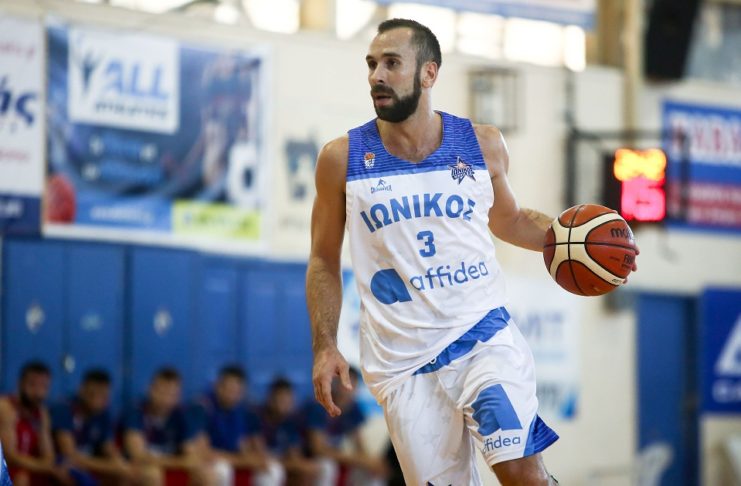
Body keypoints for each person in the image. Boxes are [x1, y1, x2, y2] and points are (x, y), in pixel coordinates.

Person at [307, 17, 636, 486]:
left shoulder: (482, 145)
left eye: (392, 63)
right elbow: (323, 258)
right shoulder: (340, 159)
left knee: (522, 474)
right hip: (401, 363)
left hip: (481, 336)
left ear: (429, 73)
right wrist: (325, 345)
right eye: (372, 64)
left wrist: (578, 242)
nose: (377, 75)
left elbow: (510, 220)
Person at [52, 369, 158, 485]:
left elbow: (109, 448)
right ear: (81, 389)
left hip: (91, 465)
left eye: (103, 396)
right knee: (68, 474)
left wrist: (123, 466)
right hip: (66, 467)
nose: (96, 400)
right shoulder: (64, 409)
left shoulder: (103, 414)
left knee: (141, 475)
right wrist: (112, 467)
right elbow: (70, 455)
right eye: (92, 394)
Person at [192, 365, 284, 486]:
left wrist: (257, 458)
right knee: (222, 469)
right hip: (215, 462)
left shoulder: (245, 411)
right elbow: (203, 451)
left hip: (234, 460)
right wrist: (238, 458)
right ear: (218, 386)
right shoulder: (203, 407)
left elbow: (256, 448)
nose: (232, 395)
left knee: (272, 469)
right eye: (229, 389)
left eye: (237, 391)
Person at [121, 367, 213, 485]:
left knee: (205, 474)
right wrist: (178, 462)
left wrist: (189, 460)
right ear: (150, 389)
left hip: (169, 465)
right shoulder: (135, 412)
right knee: (152, 474)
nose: (166, 399)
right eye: (162, 392)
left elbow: (191, 454)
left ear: (178, 396)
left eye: (172, 394)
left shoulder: (181, 415)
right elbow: (138, 455)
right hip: (140, 469)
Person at [302, 367, 387, 486]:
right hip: (308, 459)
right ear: (334, 383)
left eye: (353, 385)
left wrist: (370, 462)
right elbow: (318, 449)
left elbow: (360, 446)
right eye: (346, 383)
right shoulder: (318, 405)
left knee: (371, 470)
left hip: (335, 457)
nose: (349, 389)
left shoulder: (353, 408)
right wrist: (358, 460)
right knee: (327, 467)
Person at [0, 361, 67, 485]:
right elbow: (8, 456)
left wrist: (49, 467)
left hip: (30, 468)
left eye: (44, 387)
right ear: (20, 383)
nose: (38, 392)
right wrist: (45, 468)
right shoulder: (6, 408)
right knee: (22, 478)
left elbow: (48, 454)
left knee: (66, 476)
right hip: (7, 470)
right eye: (32, 385)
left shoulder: (42, 413)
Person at [259, 378, 334, 486]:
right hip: (259, 466)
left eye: (288, 398)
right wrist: (297, 465)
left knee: (315, 468)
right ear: (270, 398)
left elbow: (294, 455)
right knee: (274, 471)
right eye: (281, 398)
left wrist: (301, 465)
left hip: (281, 463)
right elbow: (259, 457)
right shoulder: (259, 419)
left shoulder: (291, 423)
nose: (285, 403)